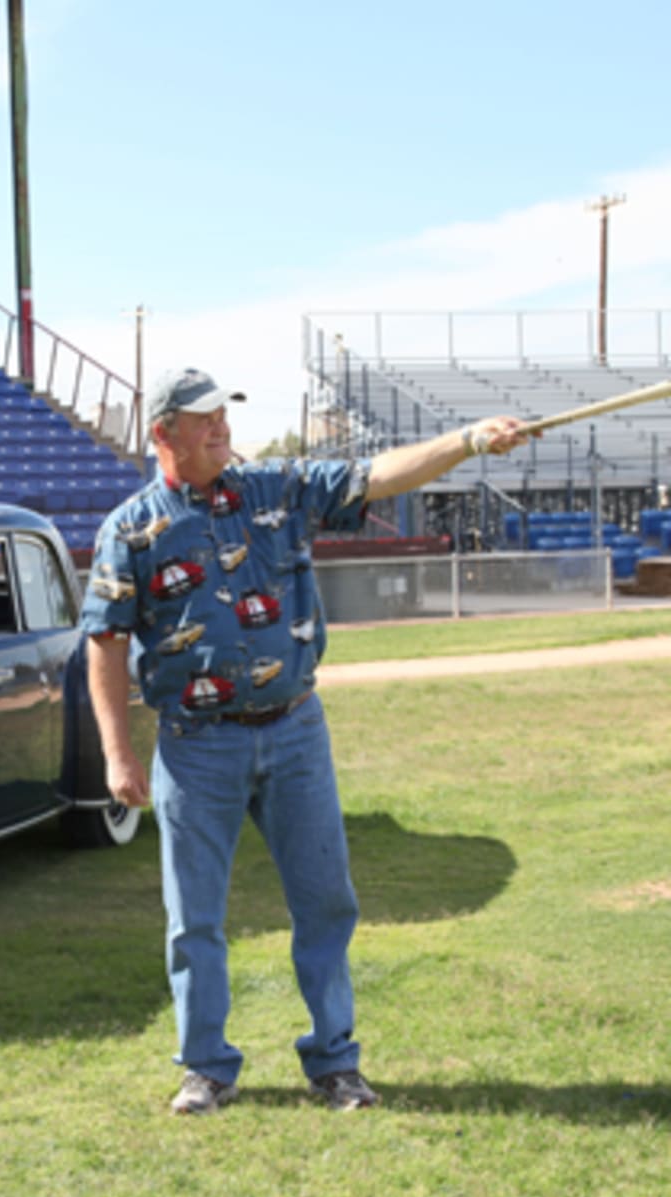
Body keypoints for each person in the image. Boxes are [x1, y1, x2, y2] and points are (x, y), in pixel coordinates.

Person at [79, 367, 531, 1116]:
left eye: (224, 412)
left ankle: (335, 1063)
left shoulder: (275, 488)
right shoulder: (130, 528)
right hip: (196, 747)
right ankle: (208, 1070)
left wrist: (468, 440)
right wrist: (118, 752)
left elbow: (374, 477)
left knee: (325, 902)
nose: (220, 426)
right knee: (195, 918)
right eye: (202, 419)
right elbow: (104, 643)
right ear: (163, 433)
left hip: (294, 731)